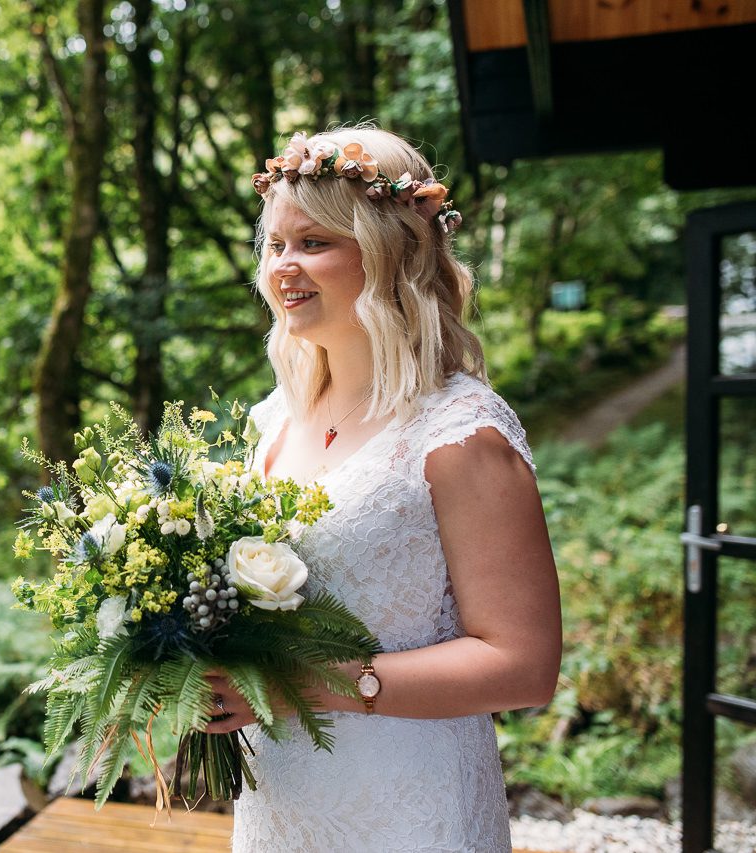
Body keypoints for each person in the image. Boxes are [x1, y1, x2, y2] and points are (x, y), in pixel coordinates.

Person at [203, 126, 562, 852]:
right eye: (276, 246)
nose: (284, 268)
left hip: (411, 809)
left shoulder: (461, 433)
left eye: (314, 243)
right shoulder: (274, 421)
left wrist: (300, 684)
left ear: (388, 251)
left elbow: (525, 664)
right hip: (284, 804)